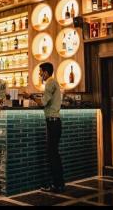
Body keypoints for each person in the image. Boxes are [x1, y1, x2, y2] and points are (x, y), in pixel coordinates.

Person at [33, 62, 65, 193]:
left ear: (46, 72)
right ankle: (58, 184)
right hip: (54, 122)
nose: (39, 74)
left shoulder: (50, 83)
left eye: (40, 72)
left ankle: (57, 185)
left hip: (53, 122)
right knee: (54, 154)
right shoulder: (53, 83)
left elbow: (42, 102)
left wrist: (30, 96)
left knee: (53, 155)